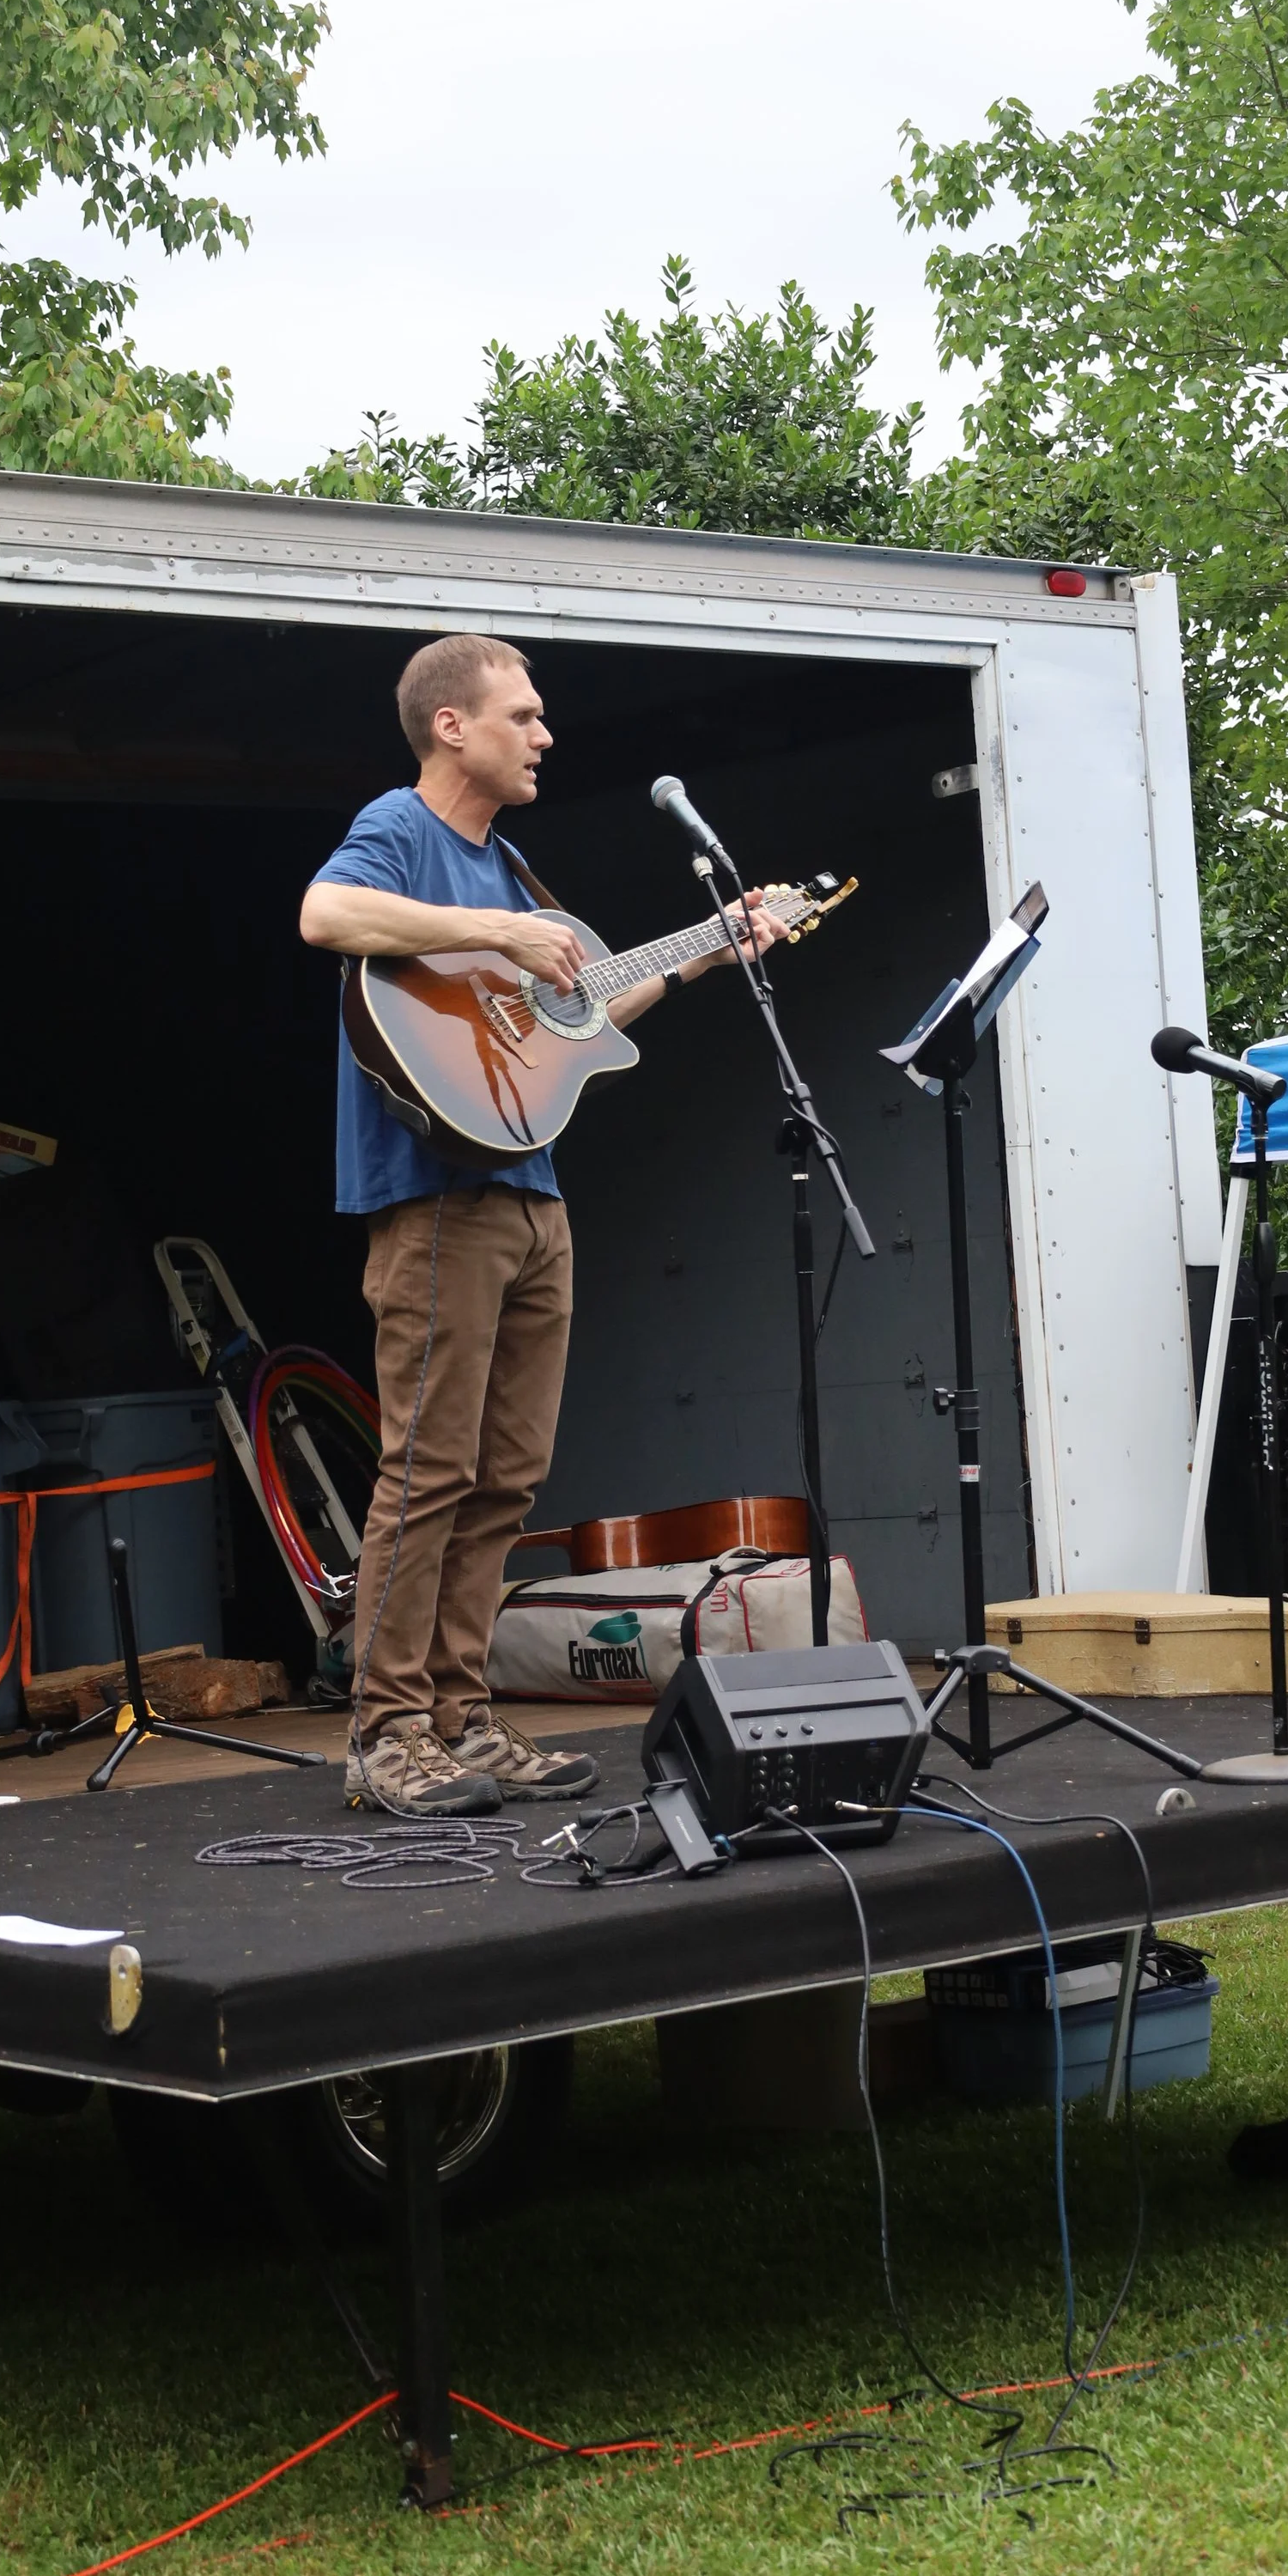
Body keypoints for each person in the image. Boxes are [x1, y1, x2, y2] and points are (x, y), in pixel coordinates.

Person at [301, 631, 787, 1816]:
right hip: (434, 1203)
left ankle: (461, 1718)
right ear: (451, 725)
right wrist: (500, 938)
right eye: (523, 714)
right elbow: (324, 915)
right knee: (428, 1467)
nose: (545, 734)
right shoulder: (405, 831)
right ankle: (385, 1731)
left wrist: (717, 945)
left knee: (507, 1476)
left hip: (531, 1196)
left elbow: (582, 1011)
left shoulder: (513, 865)